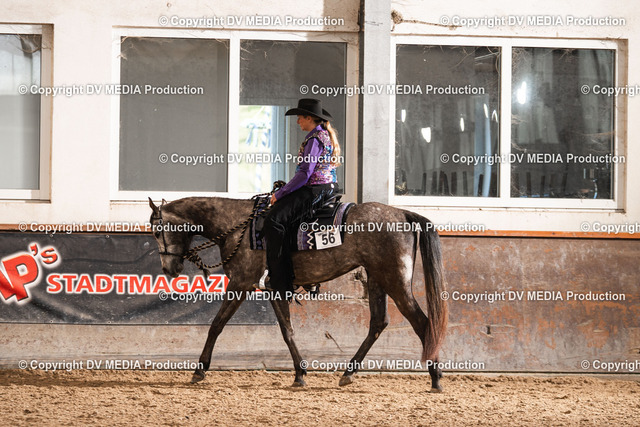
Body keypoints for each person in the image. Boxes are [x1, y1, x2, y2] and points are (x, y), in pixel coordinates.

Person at [257, 98, 341, 300]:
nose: (297, 122)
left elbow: (304, 174)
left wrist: (280, 193)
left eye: (300, 118)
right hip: (326, 188)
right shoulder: (323, 135)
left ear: (309, 118)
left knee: (274, 220)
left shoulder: (314, 139)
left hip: (315, 189)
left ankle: (280, 282)